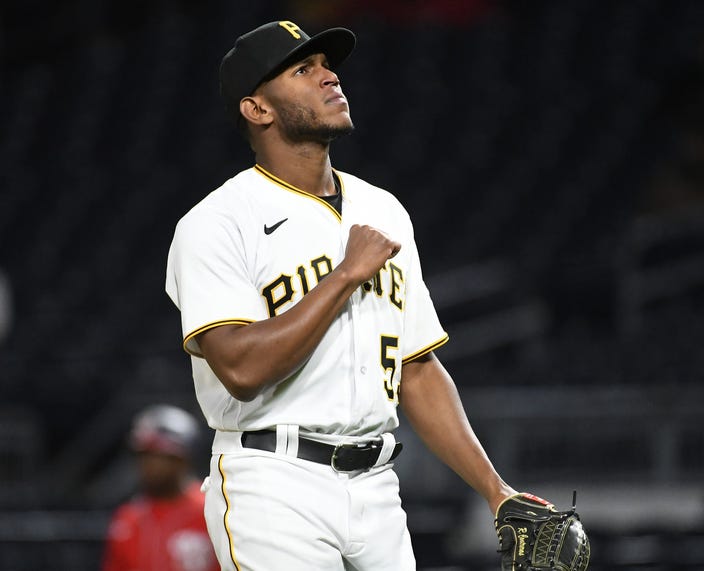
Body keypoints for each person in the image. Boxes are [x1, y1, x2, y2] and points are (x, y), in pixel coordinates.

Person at [165, 20, 517, 570]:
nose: (329, 76)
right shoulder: (216, 223)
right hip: (273, 482)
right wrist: (345, 276)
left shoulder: (384, 209)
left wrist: (497, 491)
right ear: (258, 110)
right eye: (303, 70)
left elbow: (417, 371)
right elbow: (239, 366)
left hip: (378, 487)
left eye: (327, 65)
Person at [101, 404, 220, 571]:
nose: (149, 465)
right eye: (144, 456)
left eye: (157, 456)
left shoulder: (213, 508)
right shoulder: (128, 518)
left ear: (182, 458)